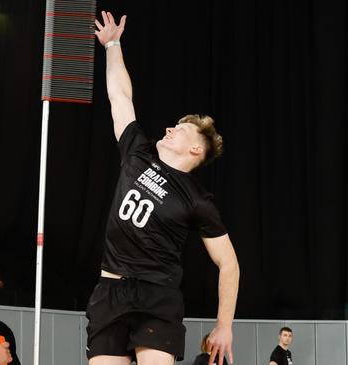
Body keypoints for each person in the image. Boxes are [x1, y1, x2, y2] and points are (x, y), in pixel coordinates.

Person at [86, 11, 240, 365]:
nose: (169, 129)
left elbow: (228, 264)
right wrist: (112, 45)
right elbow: (121, 97)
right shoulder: (137, 151)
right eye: (172, 126)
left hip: (157, 296)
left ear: (196, 149)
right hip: (110, 290)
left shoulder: (198, 201)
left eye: (180, 130)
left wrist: (224, 326)